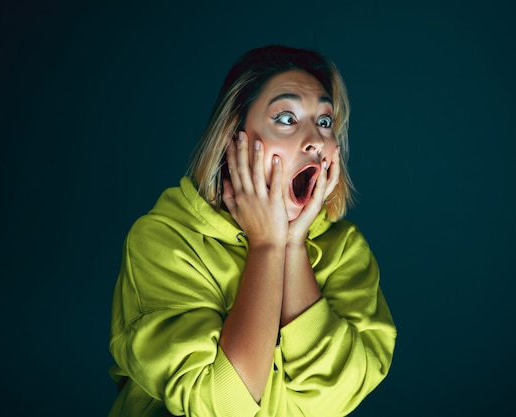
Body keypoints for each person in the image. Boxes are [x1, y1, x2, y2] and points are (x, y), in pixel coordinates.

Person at [107, 44, 396, 417]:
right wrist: (267, 248)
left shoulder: (346, 251)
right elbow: (220, 405)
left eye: (324, 122)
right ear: (235, 138)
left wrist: (292, 246)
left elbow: (334, 398)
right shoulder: (163, 240)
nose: (315, 140)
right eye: (287, 119)